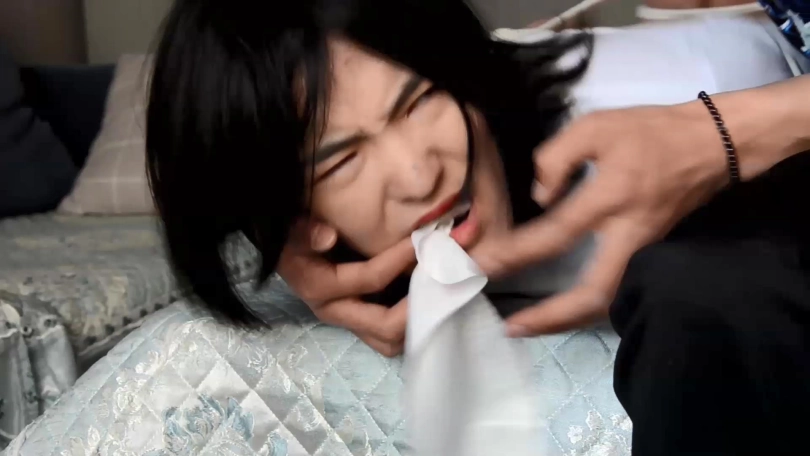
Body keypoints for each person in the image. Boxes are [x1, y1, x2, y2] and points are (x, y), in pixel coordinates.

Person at [146, 1, 805, 453]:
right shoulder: (310, 243)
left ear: (467, 83)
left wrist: (730, 134)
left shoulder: (683, 93)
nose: (418, 175)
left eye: (420, 101)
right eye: (342, 160)